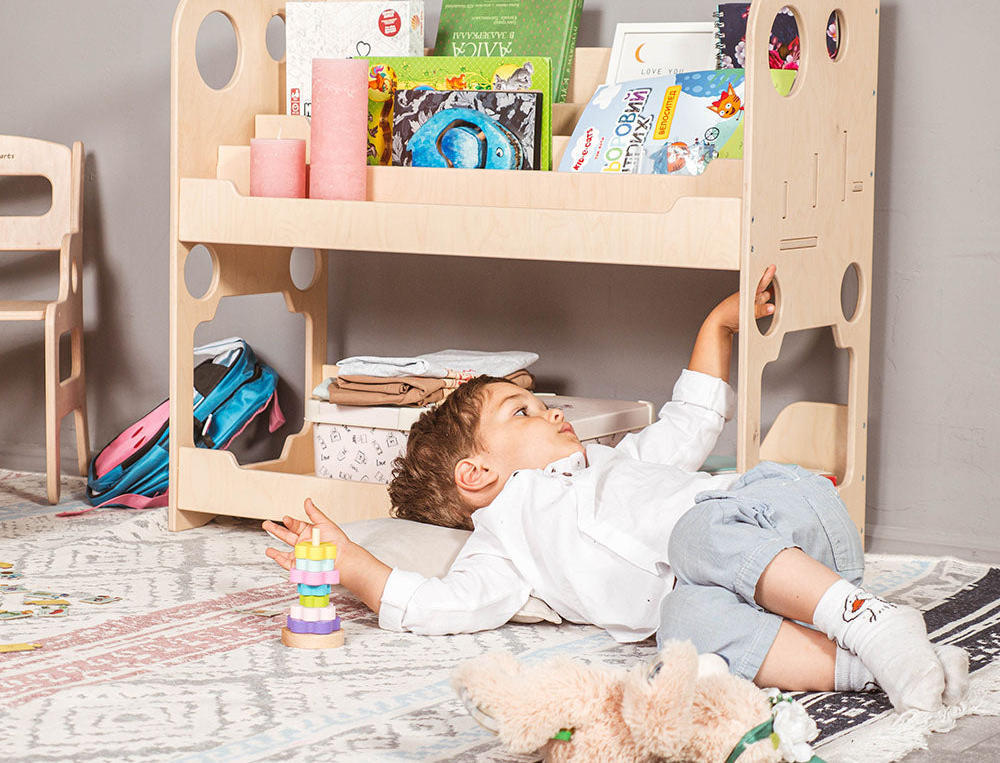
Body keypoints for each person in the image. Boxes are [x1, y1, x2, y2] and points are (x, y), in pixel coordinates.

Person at [263, 266, 969, 712]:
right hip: (751, 601)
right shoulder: (505, 549)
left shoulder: (615, 462)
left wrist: (717, 325)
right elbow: (447, 604)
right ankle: (876, 664)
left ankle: (871, 621)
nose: (554, 412)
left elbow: (692, 419)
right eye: (525, 412)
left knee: (697, 534)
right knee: (685, 629)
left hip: (780, 517)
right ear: (475, 474)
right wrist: (351, 565)